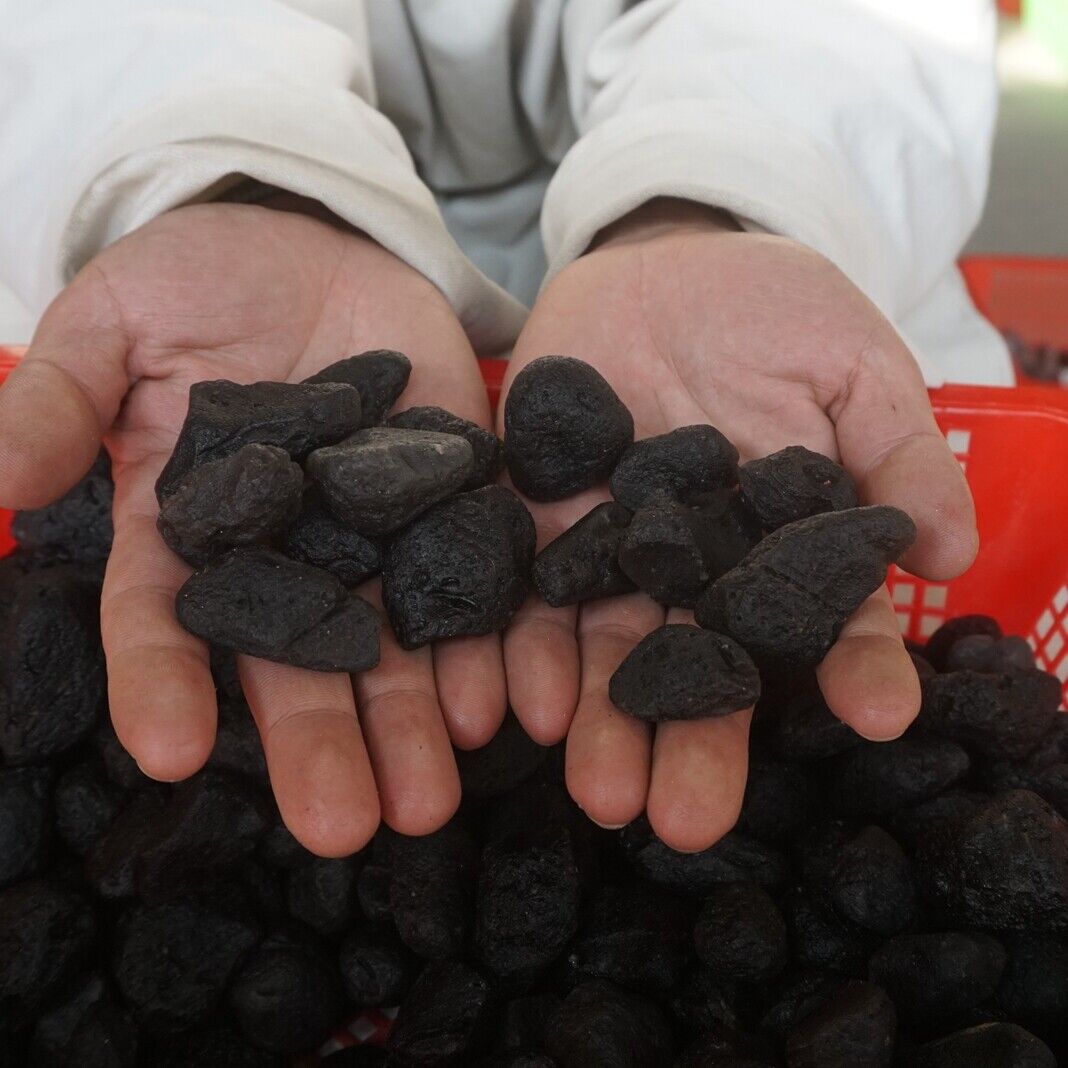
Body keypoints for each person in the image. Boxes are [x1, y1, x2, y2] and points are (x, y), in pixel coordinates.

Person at [0, 0, 1002, 857]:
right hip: (259, 228)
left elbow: (851, 26)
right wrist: (223, 167)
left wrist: (712, 194)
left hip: (754, 240)